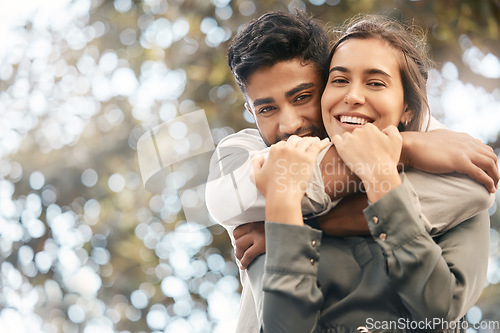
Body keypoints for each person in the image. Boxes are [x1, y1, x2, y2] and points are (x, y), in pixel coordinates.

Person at [205, 11, 498, 332]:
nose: (289, 125)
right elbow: (227, 199)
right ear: (250, 110)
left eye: (303, 97)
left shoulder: (441, 148)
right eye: (266, 108)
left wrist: (283, 228)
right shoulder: (245, 153)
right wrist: (406, 149)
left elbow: (474, 184)